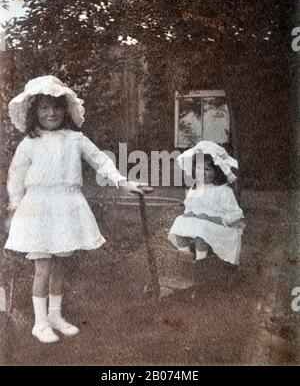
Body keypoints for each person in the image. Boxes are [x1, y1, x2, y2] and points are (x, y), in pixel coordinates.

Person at [4, 75, 146, 343]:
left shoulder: (75, 139)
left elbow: (100, 160)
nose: (51, 113)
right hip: (39, 209)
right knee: (43, 266)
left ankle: (56, 315)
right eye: (44, 108)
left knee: (60, 265)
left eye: (56, 107)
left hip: (67, 207)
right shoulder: (29, 143)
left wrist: (122, 182)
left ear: (65, 110)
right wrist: (14, 207)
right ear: (35, 112)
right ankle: (40, 322)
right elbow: (16, 177)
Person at [168, 141, 245, 265]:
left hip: (221, 228)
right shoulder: (195, 189)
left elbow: (236, 216)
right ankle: (187, 258)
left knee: (201, 231)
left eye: (207, 169)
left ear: (217, 171)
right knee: (179, 224)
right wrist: (189, 214)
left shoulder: (223, 191)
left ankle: (201, 263)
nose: (202, 173)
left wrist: (209, 218)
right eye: (198, 168)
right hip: (200, 226)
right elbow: (190, 209)